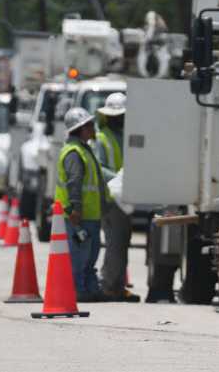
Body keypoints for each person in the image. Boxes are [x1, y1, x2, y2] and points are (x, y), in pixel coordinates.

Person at [56, 107, 104, 302]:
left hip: (90, 215)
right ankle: (78, 291)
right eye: (90, 125)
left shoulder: (84, 149)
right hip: (79, 216)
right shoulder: (75, 153)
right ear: (82, 128)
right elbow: (74, 182)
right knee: (79, 256)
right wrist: (75, 208)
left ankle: (90, 289)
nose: (93, 128)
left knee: (90, 255)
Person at [94, 92, 140, 302]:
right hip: (111, 197)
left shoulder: (127, 135)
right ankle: (110, 286)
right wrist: (122, 177)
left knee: (121, 241)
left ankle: (116, 285)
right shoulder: (101, 138)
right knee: (115, 242)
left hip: (124, 195)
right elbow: (99, 168)